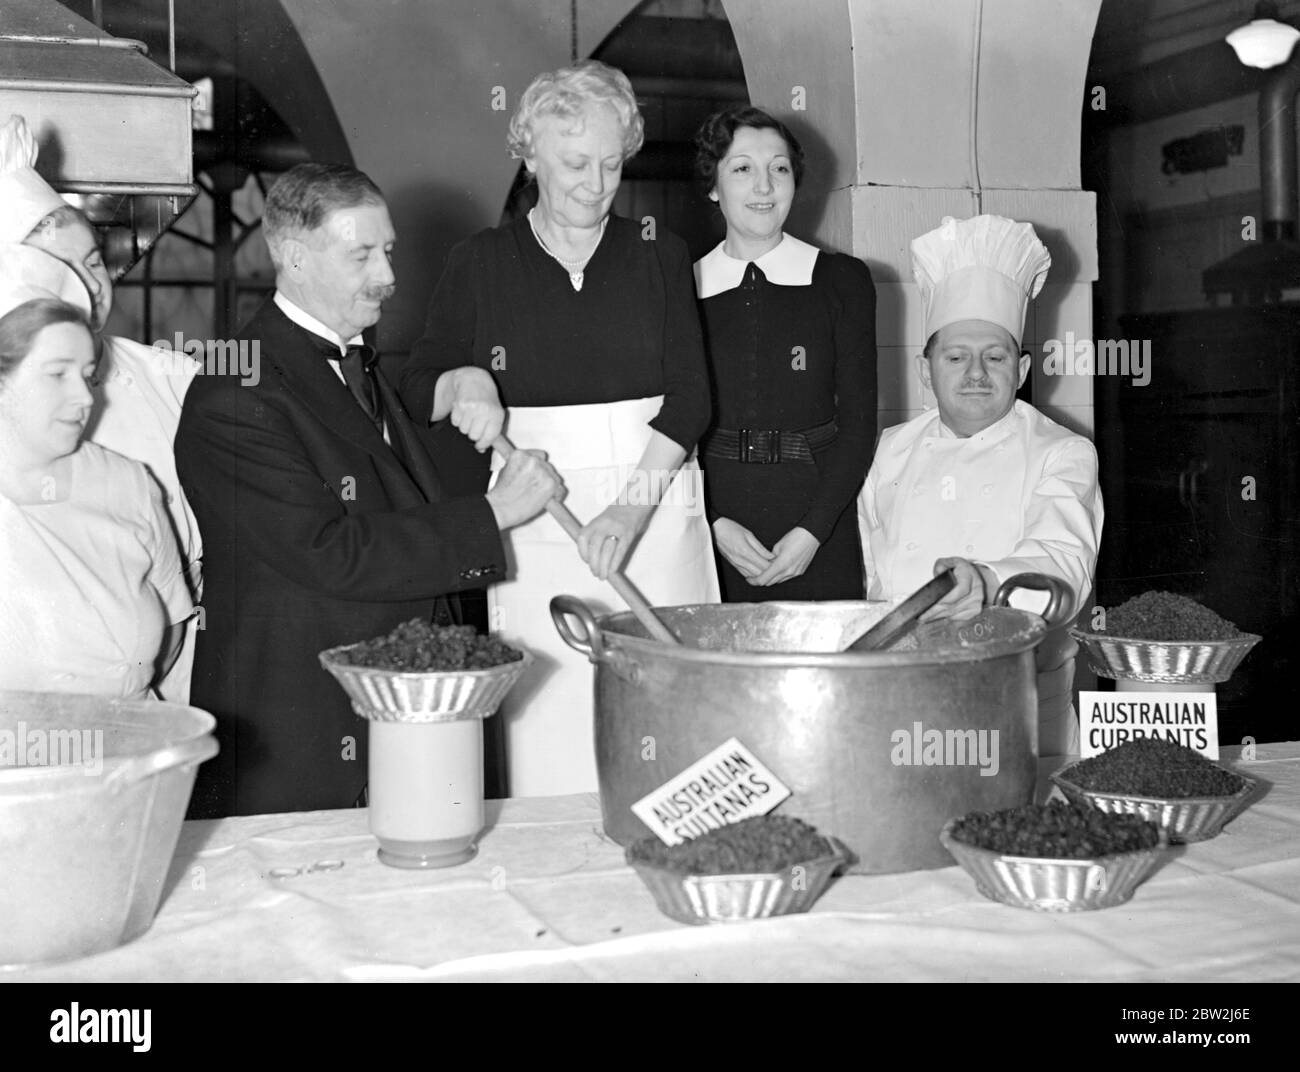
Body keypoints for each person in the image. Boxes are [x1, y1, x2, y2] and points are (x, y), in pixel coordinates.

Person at [175, 162, 562, 818]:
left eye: (387, 252)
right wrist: (494, 514)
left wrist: (467, 380)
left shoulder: (360, 366)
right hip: (302, 736)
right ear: (293, 257)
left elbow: (397, 504)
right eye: (361, 256)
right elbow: (328, 551)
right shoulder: (232, 394)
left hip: (391, 712)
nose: (386, 277)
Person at [401, 60, 719, 798]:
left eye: (611, 163)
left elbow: (694, 398)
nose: (596, 182)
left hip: (656, 511)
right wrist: (466, 381)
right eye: (576, 163)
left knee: (670, 716)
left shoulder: (658, 255)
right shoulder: (479, 263)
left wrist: (630, 508)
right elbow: (421, 383)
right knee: (551, 732)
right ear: (531, 154)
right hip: (534, 520)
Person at [857, 214, 1103, 755]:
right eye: (955, 357)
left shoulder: (1062, 452)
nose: (976, 373)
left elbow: (1064, 563)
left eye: (995, 357)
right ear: (926, 371)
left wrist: (989, 583)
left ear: (1022, 369)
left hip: (1018, 714)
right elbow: (870, 579)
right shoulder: (886, 451)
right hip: (899, 706)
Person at [0, 113, 203, 703]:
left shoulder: (177, 377)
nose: (87, 291)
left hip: (175, 667)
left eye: (92, 263)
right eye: (58, 271)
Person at [693, 106, 877, 601]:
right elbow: (670, 427)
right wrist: (709, 521)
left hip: (819, 519)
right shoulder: (680, 287)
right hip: (715, 522)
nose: (764, 186)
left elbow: (859, 425)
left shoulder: (843, 279)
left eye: (779, 168)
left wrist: (814, 531)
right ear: (713, 186)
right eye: (742, 169)